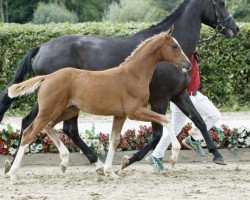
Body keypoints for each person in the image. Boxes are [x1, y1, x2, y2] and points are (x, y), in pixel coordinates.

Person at [146, 49, 221, 172]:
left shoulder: (194, 54)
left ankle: (193, 138)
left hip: (197, 96)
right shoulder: (182, 55)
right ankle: (155, 156)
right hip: (182, 98)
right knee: (175, 129)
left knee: (215, 115)